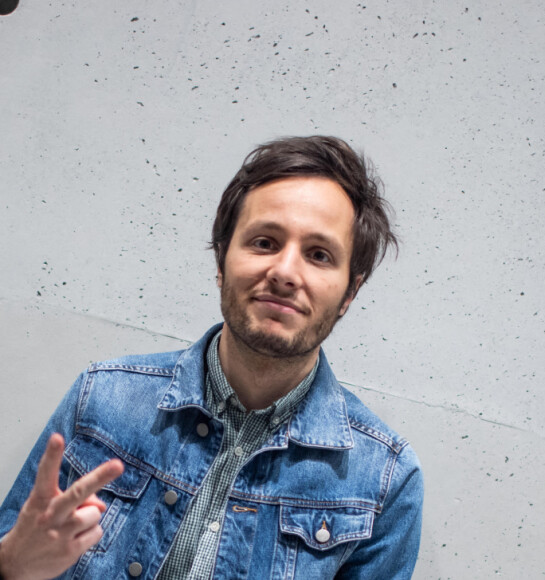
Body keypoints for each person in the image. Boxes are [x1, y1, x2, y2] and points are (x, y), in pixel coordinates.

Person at [0, 136, 423, 579]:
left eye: (319, 255)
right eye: (264, 242)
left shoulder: (385, 481)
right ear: (222, 259)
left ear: (349, 292)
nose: (284, 271)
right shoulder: (102, 398)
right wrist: (10, 565)